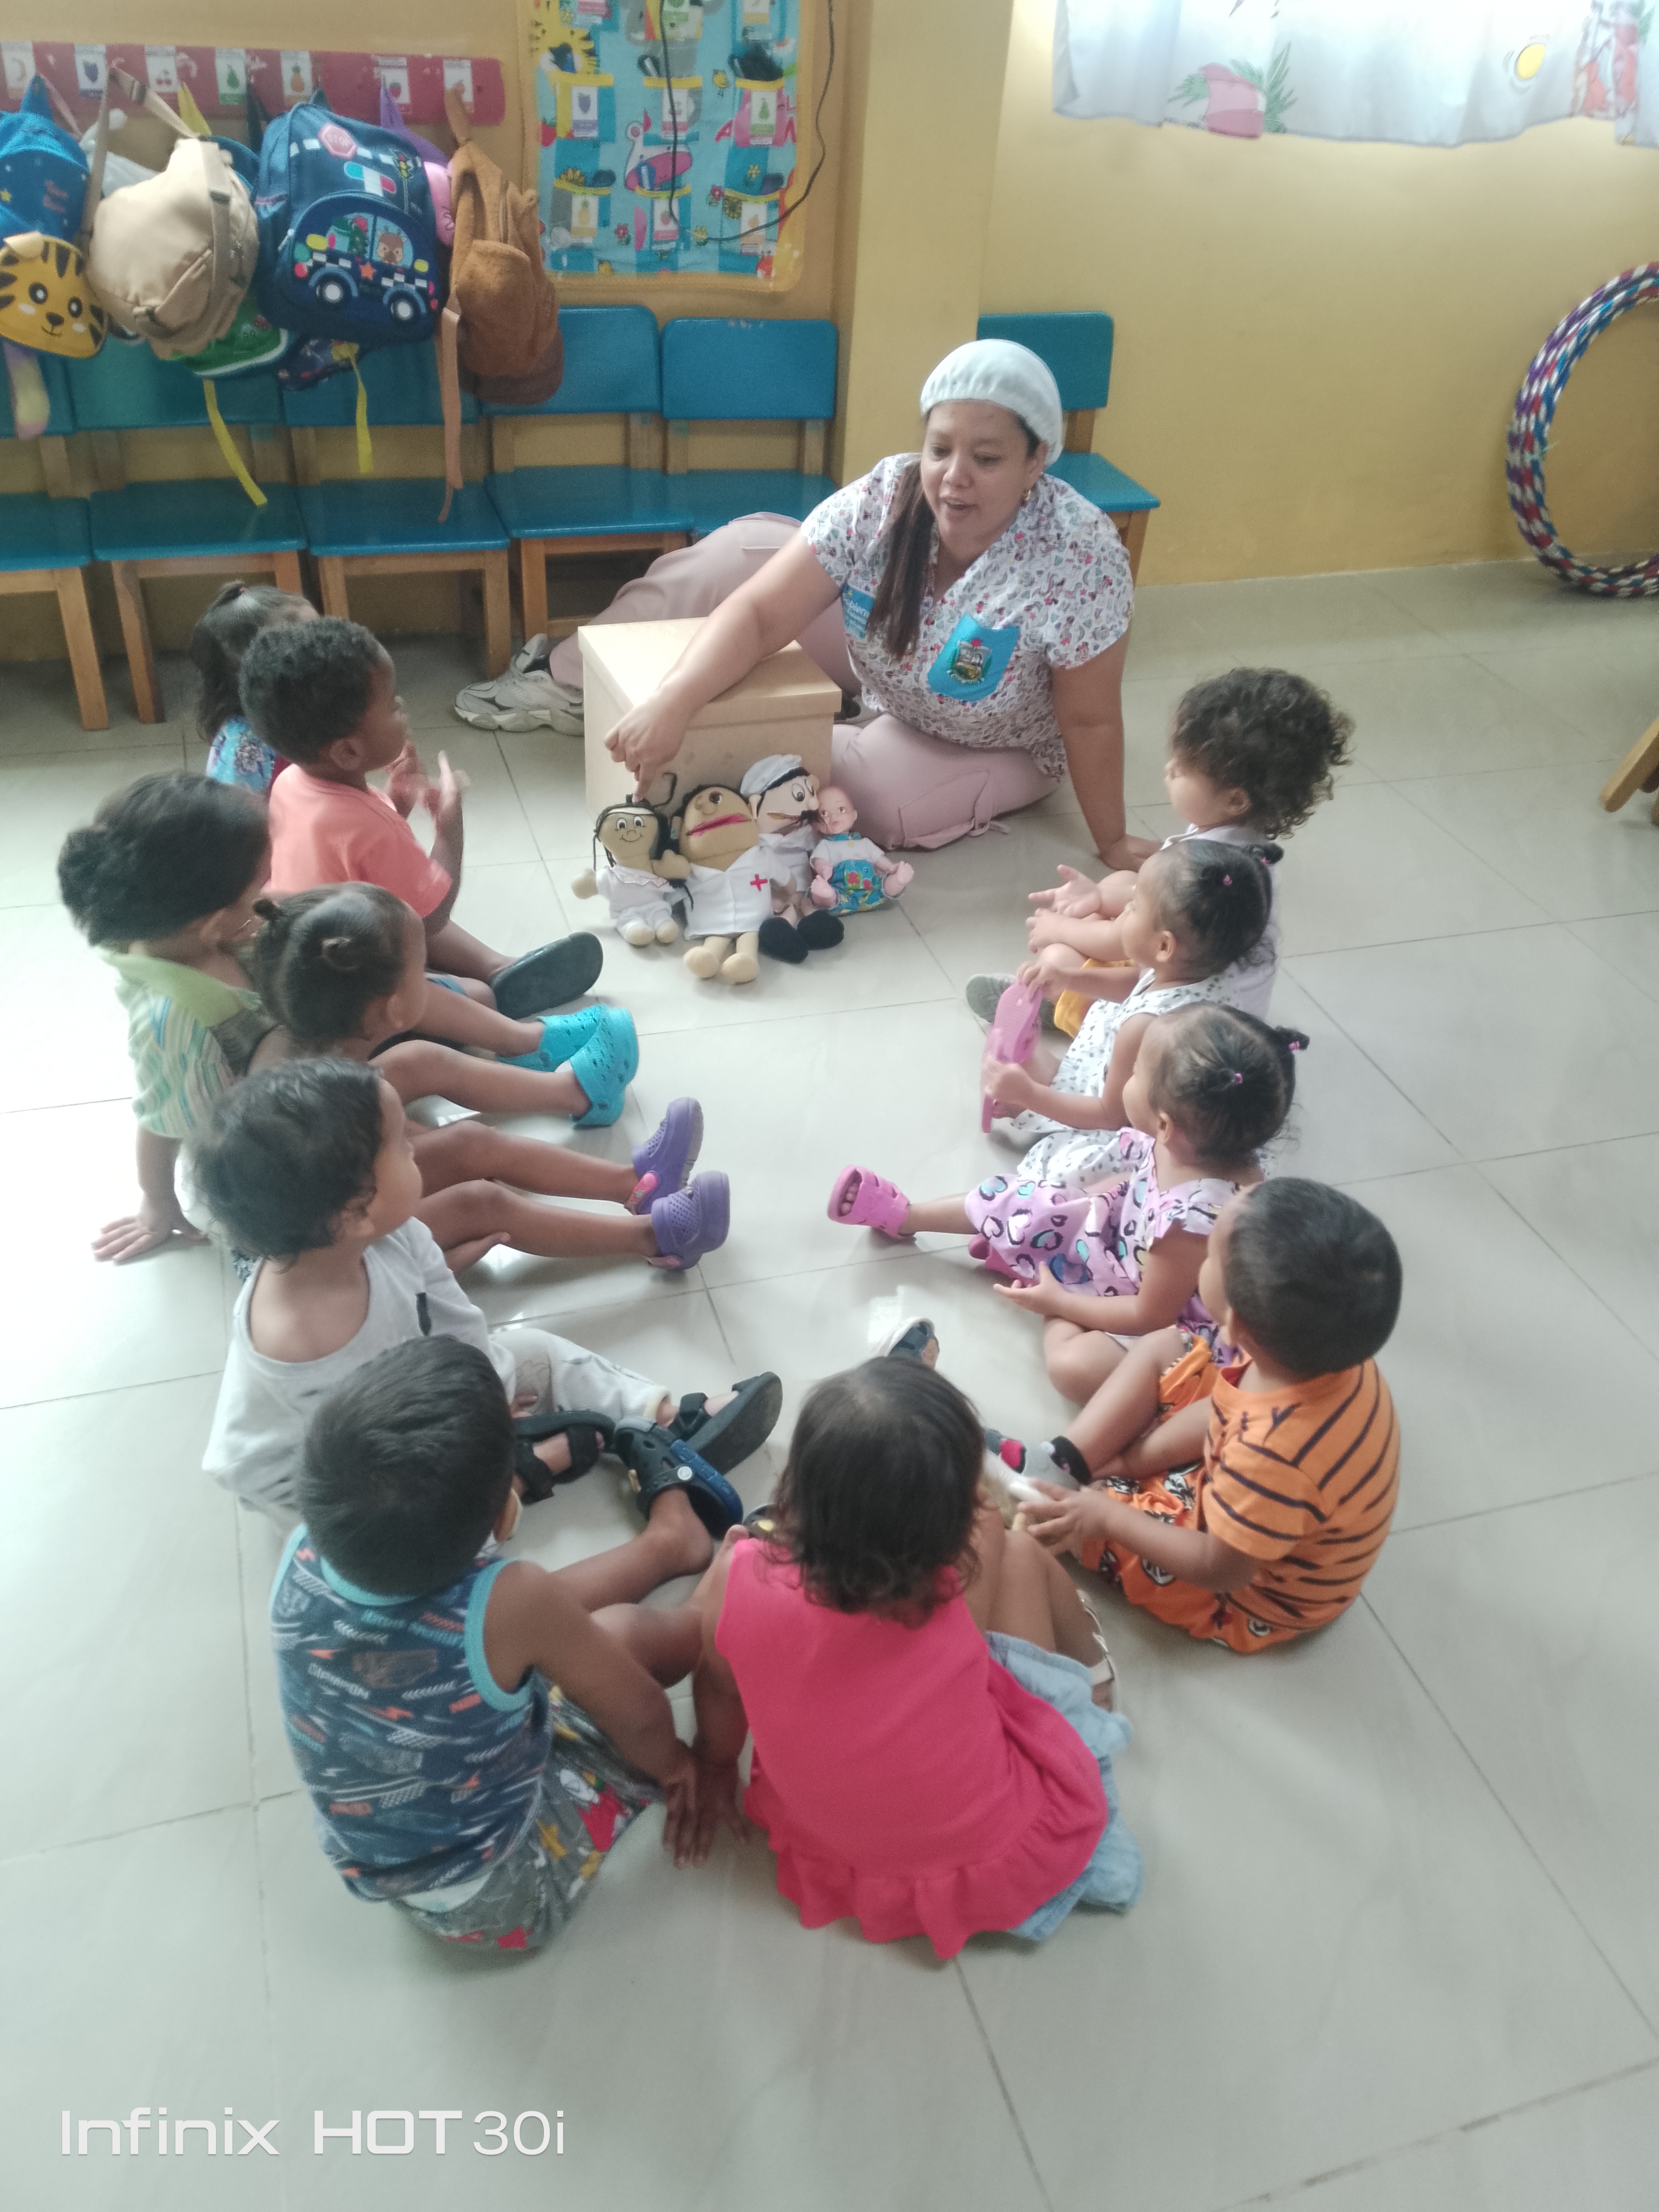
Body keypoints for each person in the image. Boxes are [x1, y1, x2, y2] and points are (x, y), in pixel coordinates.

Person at [502, 340, 1149, 861]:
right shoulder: (888, 494)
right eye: (940, 449)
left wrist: (1114, 841)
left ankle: (752, 739)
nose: (954, 477)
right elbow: (761, 614)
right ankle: (571, 682)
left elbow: (1090, 721)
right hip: (888, 669)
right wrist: (674, 698)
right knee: (738, 556)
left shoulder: (1079, 554)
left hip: (990, 739)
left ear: (1036, 461)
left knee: (867, 798)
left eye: (986, 458)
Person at [668, 1359, 1142, 1956]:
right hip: (993, 1847)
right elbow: (988, 1524)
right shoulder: (955, 1590)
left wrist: (715, 1762)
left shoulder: (732, 1582)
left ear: (792, 1494)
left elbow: (717, 1683)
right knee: (1024, 1557)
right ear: (948, 1533)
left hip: (842, 1851)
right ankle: (1091, 1680)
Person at [192, 1057, 780, 1521]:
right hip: (338, 1485)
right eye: (401, 1146)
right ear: (356, 1211)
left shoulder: (397, 1235)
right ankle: (518, 1477)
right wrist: (480, 1433)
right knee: (426, 1525)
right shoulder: (297, 1342)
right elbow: (357, 1456)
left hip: (416, 1392)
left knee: (536, 1352)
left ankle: (670, 1419)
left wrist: (493, 1394)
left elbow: (458, 1324)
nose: (417, 1148)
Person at [272, 1335, 713, 1952]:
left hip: (384, 1864)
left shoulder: (301, 1548)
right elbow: (638, 1711)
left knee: (507, 1616)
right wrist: (677, 1764)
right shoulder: (518, 1599)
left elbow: (484, 1614)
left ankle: (668, 1547)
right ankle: (713, 1600)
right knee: (620, 1633)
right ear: (507, 1513)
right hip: (505, 1894)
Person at [1009, 1180, 1403, 1654]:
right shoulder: (1322, 1353)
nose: (1200, 1255)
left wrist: (1109, 1517)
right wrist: (1133, 1462)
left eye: (1210, 1253)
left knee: (1077, 1519)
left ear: (1235, 1324)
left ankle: (1055, 1496)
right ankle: (1064, 1460)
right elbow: (1224, 1408)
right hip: (1249, 1496)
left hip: (1242, 1592)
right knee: (1168, 1346)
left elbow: (1221, 1568)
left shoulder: (1273, 1456)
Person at [834, 1005, 1305, 1398]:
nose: (1123, 1079)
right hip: (1121, 1240)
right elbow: (1137, 1182)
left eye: (1135, 1075)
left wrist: (1059, 1302)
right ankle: (908, 1217)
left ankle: (1045, 1282)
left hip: (1162, 1315)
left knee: (1073, 1367)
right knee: (1014, 1194)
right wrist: (1091, 1201)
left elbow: (1150, 1315)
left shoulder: (1194, 1223)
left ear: (1165, 1125)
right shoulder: (1195, 1143)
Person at [252, 883, 727, 1270]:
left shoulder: (304, 1057)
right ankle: (656, 1237)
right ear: (394, 1009)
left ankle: (636, 1182)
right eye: (422, 970)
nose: (431, 978)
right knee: (481, 1203)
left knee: (441, 1095)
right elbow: (356, 1222)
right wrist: (431, 1264)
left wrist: (454, 1151)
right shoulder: (330, 1117)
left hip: (339, 1192)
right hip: (335, 1257)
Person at [240, 616, 602, 1015]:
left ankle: (498, 966)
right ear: (348, 752)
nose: (403, 708)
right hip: (350, 983)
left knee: (402, 899)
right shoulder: (370, 828)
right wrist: (449, 833)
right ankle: (475, 990)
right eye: (392, 704)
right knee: (471, 990)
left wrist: (397, 800)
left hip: (311, 946)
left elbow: (351, 858)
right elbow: (431, 918)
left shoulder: (290, 782)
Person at [974, 666, 1354, 1032]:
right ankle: (1066, 981)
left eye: (1182, 769)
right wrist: (1098, 897)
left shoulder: (1201, 872)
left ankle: (1063, 1004)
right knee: (1121, 882)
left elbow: (1123, 940)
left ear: (1235, 800)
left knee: (1060, 952)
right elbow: (1148, 902)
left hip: (1175, 1030)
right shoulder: (1243, 850)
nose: (1169, 768)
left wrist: (1059, 928)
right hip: (1200, 978)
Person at [57, 772, 280, 1263]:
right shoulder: (182, 1024)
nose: (267, 895)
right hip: (253, 1150)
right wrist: (158, 1201)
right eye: (258, 886)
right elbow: (161, 1121)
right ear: (214, 923)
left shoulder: (166, 928)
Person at [190, 578, 316, 795]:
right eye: (310, 646)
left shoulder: (299, 709)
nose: (327, 648)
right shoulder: (248, 745)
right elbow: (237, 813)